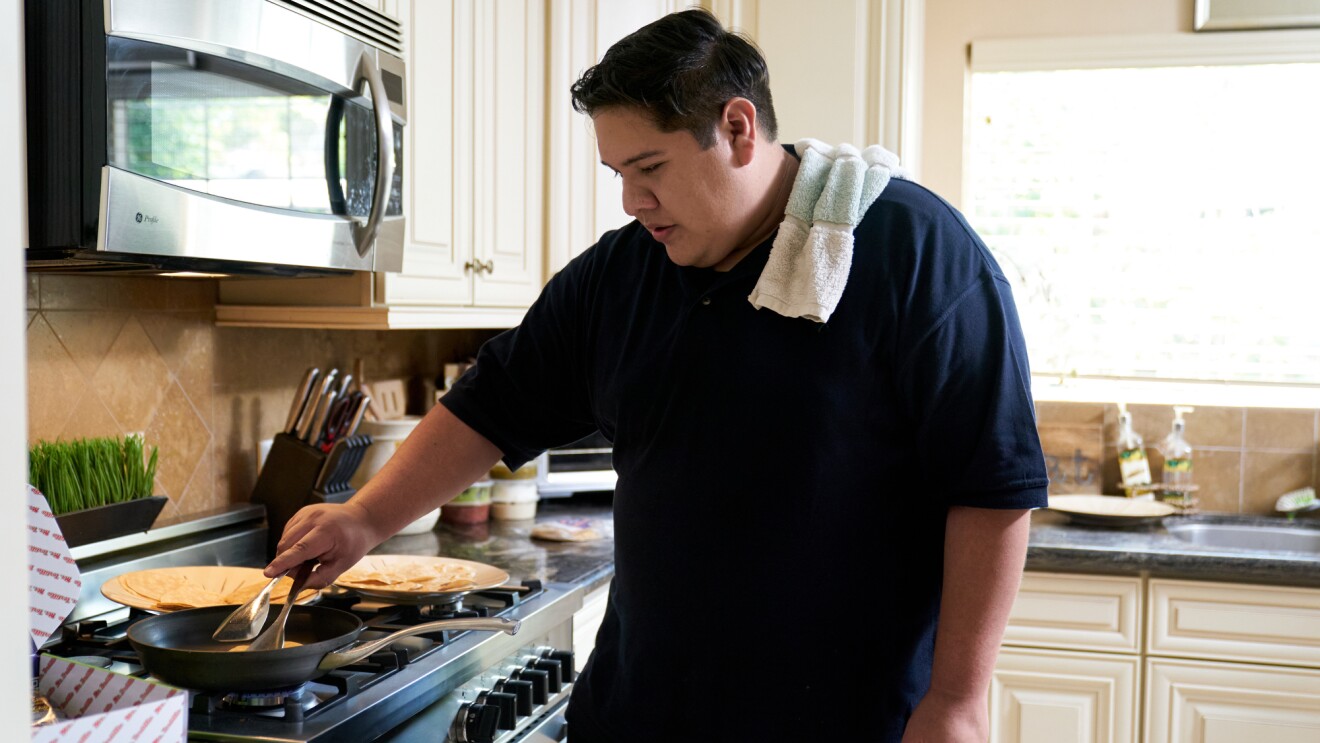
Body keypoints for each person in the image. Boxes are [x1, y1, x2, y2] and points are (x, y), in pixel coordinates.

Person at [266, 9, 1048, 742]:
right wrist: (362, 519)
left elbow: (990, 485)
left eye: (650, 167)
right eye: (617, 173)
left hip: (847, 716)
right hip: (639, 713)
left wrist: (957, 699)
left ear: (737, 129)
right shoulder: (622, 275)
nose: (633, 200)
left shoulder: (915, 254)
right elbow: (491, 405)